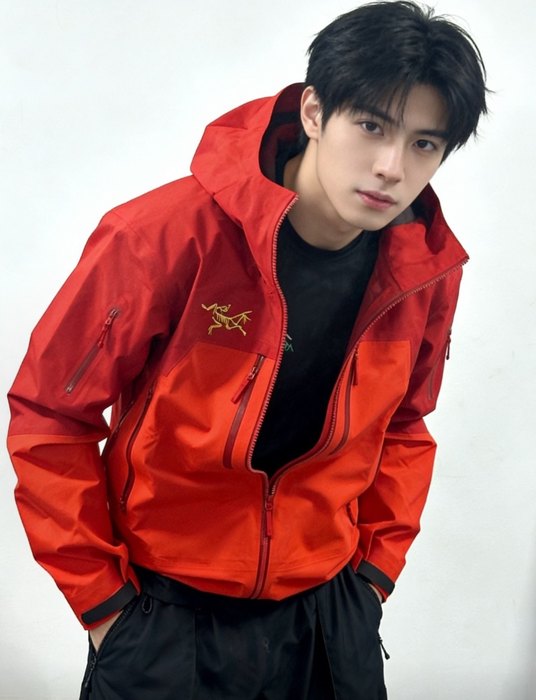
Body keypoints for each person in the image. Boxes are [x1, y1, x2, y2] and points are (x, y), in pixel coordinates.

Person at [7, 2, 488, 698]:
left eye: (424, 144)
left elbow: (406, 428)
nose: (391, 167)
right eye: (371, 126)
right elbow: (51, 415)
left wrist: (372, 580)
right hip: (167, 616)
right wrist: (103, 604)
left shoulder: (422, 271)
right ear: (315, 112)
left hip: (328, 618)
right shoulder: (163, 236)